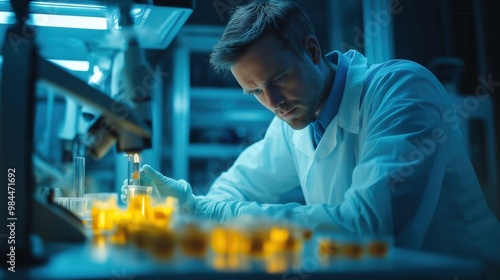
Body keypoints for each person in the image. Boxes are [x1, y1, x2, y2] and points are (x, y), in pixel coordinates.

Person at [123, 0, 500, 268]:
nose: (273, 102)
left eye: (278, 79)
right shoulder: (293, 123)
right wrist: (191, 207)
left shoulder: (401, 89)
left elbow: (369, 230)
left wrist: (209, 210)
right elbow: (232, 189)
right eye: (255, 92)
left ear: (312, 49)